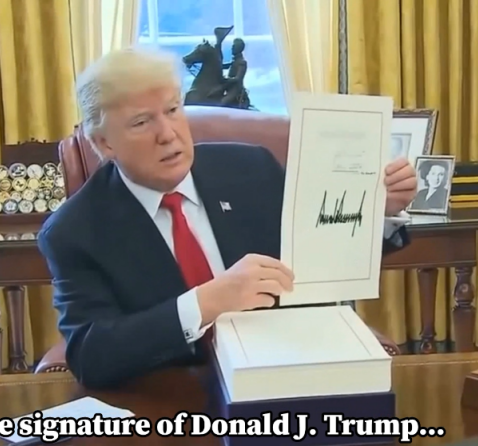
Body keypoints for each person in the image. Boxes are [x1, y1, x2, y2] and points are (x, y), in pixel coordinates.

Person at [37, 47, 418, 389]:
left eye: (172, 110)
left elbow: (321, 251)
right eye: (141, 122)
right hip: (168, 396)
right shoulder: (76, 230)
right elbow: (91, 354)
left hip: (280, 376)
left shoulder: (250, 167)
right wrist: (205, 302)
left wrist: (378, 211)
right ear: (104, 143)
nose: (168, 134)